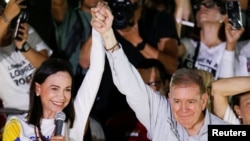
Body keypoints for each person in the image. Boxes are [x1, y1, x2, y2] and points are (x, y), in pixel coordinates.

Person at [91, 2, 228, 141]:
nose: (183, 109)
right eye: (177, 101)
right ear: (169, 98)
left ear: (203, 101)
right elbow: (128, 82)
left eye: (191, 102)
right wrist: (107, 33)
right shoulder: (160, 113)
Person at [2, 3, 106, 138]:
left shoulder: (73, 122)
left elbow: (96, 71)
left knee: (95, 128)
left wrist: (101, 30)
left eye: (67, 89)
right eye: (55, 88)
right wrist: (6, 16)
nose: (62, 96)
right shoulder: (17, 125)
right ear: (38, 89)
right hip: (19, 111)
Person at [0, 0, 52, 111]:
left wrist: (24, 47)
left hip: (46, 107)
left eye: (2, 13)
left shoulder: (24, 33)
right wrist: (6, 17)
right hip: (18, 115)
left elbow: (49, 68)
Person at [178, 0, 244, 80]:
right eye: (198, 7)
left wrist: (230, 46)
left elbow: (227, 85)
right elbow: (171, 50)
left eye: (209, 4)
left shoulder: (232, 49)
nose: (202, 7)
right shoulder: (190, 45)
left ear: (224, 17)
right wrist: (181, 4)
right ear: (197, 22)